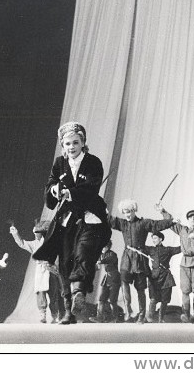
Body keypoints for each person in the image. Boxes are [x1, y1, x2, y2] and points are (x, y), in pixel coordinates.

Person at [33, 121, 112, 324]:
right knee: (65, 263)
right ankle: (69, 311)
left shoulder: (94, 162)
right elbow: (50, 184)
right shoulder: (59, 163)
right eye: (67, 144)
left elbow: (92, 187)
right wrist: (53, 190)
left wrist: (70, 192)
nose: (71, 147)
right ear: (63, 145)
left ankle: (79, 293)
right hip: (67, 219)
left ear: (83, 142)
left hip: (89, 216)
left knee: (83, 252)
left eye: (75, 142)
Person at [108, 199, 175, 323]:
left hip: (140, 259)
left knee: (140, 288)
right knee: (124, 281)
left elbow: (157, 225)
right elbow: (109, 220)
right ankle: (128, 310)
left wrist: (171, 222)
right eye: (124, 212)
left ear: (134, 210)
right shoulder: (122, 223)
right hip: (127, 258)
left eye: (128, 212)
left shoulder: (143, 223)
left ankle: (141, 315)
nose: (127, 215)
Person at [156, 204, 194, 324]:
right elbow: (171, 222)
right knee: (185, 290)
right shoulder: (182, 230)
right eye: (191, 218)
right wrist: (163, 211)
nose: (193, 220)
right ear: (188, 219)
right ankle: (185, 314)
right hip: (185, 263)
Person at [9, 221, 64, 324]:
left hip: (52, 271)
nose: (36, 234)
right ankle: (43, 315)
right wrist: (15, 233)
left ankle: (55, 315)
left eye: (37, 232)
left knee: (54, 294)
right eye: (35, 232)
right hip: (41, 271)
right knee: (40, 293)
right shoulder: (35, 244)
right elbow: (22, 243)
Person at [144, 231, 182, 323]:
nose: (153, 240)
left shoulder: (168, 250)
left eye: (155, 238)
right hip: (154, 277)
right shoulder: (150, 249)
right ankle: (150, 318)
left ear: (161, 239)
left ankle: (161, 319)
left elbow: (180, 248)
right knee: (153, 299)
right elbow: (139, 246)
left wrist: (184, 237)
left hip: (166, 277)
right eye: (152, 238)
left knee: (164, 300)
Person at [88, 239, 121, 323]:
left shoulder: (112, 254)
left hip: (114, 278)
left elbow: (110, 259)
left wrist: (100, 261)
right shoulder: (101, 255)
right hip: (106, 278)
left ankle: (115, 318)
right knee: (101, 299)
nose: (102, 248)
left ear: (108, 247)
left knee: (112, 300)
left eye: (104, 246)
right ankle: (99, 317)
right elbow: (97, 267)